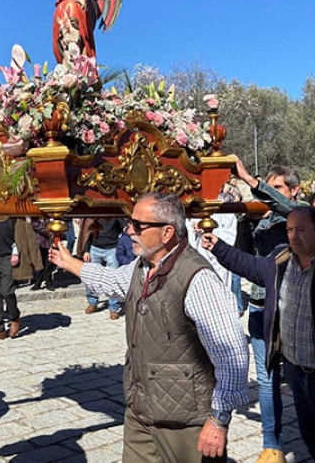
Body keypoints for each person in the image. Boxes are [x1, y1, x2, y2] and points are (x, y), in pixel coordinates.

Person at [50, 192, 249, 463]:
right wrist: (69, 262)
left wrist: (218, 419)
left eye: (138, 226)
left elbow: (232, 354)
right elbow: (113, 281)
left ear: (167, 233)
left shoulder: (198, 279)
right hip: (141, 413)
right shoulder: (142, 266)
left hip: (186, 422)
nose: (129, 230)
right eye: (130, 223)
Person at [205, 206, 315, 463]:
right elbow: (250, 266)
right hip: (296, 371)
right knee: (311, 435)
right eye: (290, 230)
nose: (293, 236)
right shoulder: (281, 259)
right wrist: (218, 247)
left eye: (301, 230)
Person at [231, 156, 302, 463]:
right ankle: (272, 443)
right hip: (261, 306)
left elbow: (289, 211)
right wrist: (242, 223)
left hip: (294, 309)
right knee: (267, 379)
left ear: (294, 190)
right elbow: (247, 260)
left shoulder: (301, 215)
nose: (268, 194)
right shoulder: (262, 218)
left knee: (302, 377)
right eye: (268, 188)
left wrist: (251, 181)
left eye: (276, 188)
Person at [0, 218, 41, 339]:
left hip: (8, 258)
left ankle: (14, 317)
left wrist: (15, 253)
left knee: (7, 291)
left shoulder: (14, 218)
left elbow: (19, 237)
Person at [79, 217, 126, 319]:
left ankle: (113, 307)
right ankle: (92, 302)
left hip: (112, 249)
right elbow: (88, 234)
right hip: (95, 248)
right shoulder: (95, 215)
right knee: (91, 278)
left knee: (113, 280)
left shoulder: (114, 215)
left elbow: (125, 226)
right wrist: (86, 250)